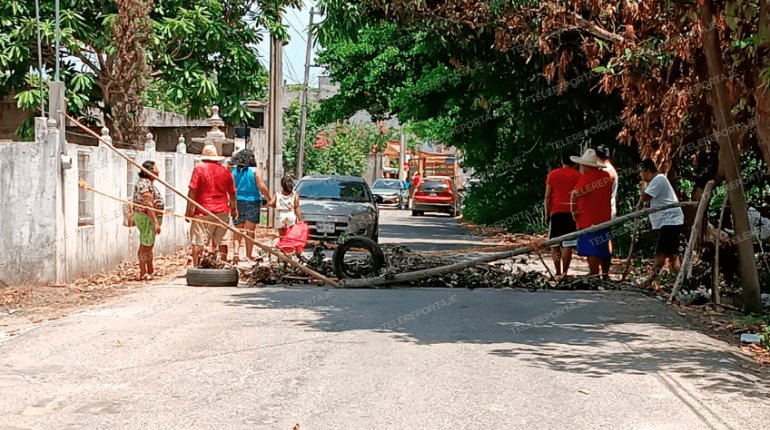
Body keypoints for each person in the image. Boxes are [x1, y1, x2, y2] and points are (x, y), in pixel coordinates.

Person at [185, 144, 238, 266]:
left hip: (202, 211)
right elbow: (232, 193)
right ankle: (223, 264)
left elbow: (192, 191)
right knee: (222, 240)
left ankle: (197, 267)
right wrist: (234, 210)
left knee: (198, 241)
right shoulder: (225, 171)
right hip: (222, 212)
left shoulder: (199, 169)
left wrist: (188, 211)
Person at [570, 148, 613, 279]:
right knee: (604, 248)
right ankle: (605, 274)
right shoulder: (606, 177)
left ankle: (594, 275)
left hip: (588, 219)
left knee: (591, 248)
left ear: (585, 165)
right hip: (605, 217)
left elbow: (575, 194)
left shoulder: (586, 178)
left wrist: (574, 211)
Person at [639, 158, 685, 278]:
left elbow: (644, 197)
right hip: (669, 220)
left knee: (661, 254)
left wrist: (643, 186)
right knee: (671, 254)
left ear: (647, 170)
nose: (640, 175)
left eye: (641, 172)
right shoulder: (658, 180)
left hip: (669, 221)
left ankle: (652, 280)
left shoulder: (658, 180)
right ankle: (677, 281)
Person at [544, 152, 582, 278]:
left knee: (555, 244)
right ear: (575, 162)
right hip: (571, 212)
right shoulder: (579, 176)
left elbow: (548, 196)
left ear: (562, 160)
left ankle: (557, 272)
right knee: (568, 244)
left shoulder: (553, 174)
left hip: (556, 212)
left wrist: (546, 214)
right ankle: (565, 272)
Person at [230, 149, 269, 264]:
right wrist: (269, 198)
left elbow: (231, 188)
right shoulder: (255, 171)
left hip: (238, 202)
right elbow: (261, 186)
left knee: (238, 229)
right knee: (250, 231)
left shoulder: (233, 171)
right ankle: (248, 255)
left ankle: (236, 253)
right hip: (252, 202)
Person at [132, 160, 164, 281]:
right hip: (146, 218)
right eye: (155, 168)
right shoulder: (144, 184)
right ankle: (143, 272)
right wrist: (155, 221)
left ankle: (150, 270)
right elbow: (148, 204)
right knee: (145, 244)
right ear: (149, 171)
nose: (158, 170)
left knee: (149, 244)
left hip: (149, 217)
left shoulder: (148, 183)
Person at [267, 175, 303, 251]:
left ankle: (283, 253)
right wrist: (300, 219)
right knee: (290, 236)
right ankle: (289, 252)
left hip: (280, 216)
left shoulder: (277, 194)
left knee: (282, 237)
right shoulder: (294, 195)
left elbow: (270, 203)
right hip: (291, 216)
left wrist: (277, 206)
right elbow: (296, 207)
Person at [596, 145, 618, 218]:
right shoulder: (610, 169)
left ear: (597, 157)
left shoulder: (606, 172)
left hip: (605, 211)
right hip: (609, 209)